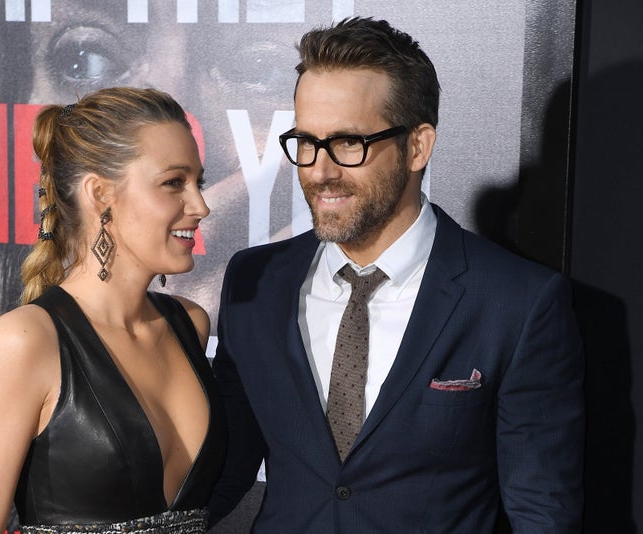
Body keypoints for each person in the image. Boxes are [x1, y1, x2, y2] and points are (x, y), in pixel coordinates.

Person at [208, 17, 585, 533]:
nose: (319, 171)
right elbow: (224, 472)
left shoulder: (517, 303)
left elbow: (542, 513)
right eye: (306, 141)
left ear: (417, 146)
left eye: (348, 143)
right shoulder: (255, 283)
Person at [0, 87, 226, 533]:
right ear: (100, 194)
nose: (200, 205)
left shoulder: (189, 324)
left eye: (198, 182)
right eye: (174, 183)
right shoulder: (26, 342)